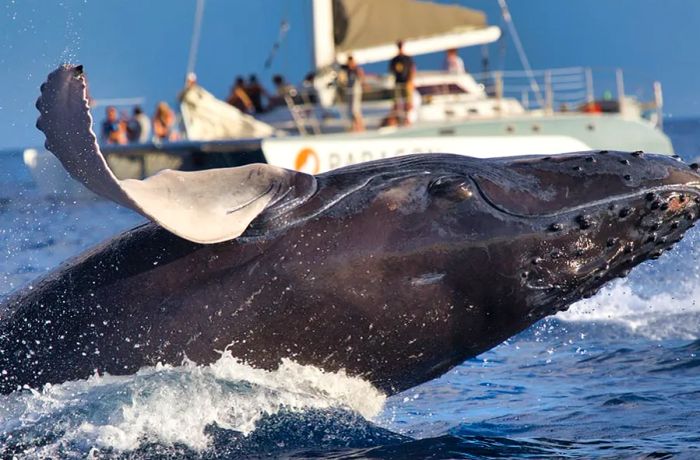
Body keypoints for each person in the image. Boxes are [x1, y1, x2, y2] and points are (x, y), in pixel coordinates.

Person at [388, 40, 416, 125]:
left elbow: (412, 69)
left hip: (406, 83)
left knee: (407, 103)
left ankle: (407, 120)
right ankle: (398, 119)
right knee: (397, 102)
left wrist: (410, 81)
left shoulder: (407, 58)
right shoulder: (394, 59)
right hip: (398, 83)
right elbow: (392, 71)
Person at [342, 55, 365, 132]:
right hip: (349, 93)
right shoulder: (347, 71)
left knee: (355, 110)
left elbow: (361, 79)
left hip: (355, 93)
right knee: (351, 111)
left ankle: (360, 127)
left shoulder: (356, 70)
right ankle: (354, 127)